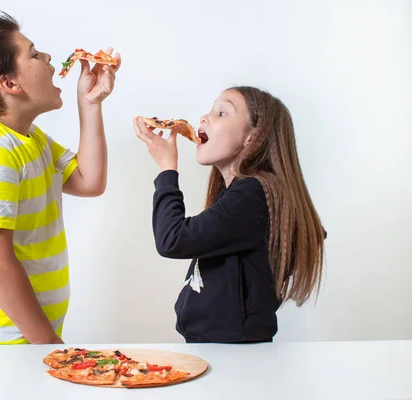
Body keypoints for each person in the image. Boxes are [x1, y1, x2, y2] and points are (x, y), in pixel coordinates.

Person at [0, 12, 120, 344]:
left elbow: (89, 181)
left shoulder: (30, 140)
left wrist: (90, 104)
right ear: (9, 83)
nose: (48, 58)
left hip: (23, 341)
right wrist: (50, 347)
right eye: (34, 54)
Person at [133, 86, 326, 343]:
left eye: (222, 112)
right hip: (223, 350)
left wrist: (167, 170)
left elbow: (173, 240)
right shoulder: (242, 194)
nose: (205, 117)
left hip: (236, 356)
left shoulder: (253, 193)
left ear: (253, 138)